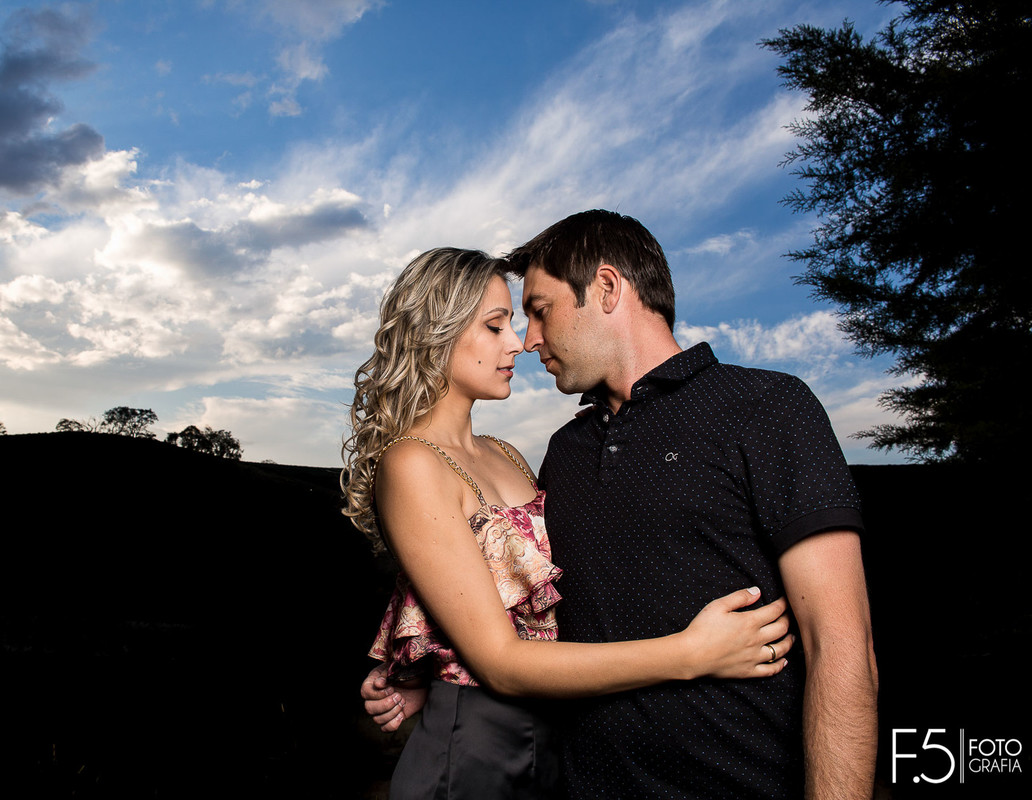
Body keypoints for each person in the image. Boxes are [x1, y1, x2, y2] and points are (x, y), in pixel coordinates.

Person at [367, 213, 878, 799]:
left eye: (537, 312)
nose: (527, 341)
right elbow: (501, 626)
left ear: (607, 289)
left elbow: (842, 647)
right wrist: (433, 676)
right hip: (564, 777)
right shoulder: (566, 450)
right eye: (504, 322)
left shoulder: (765, 407)